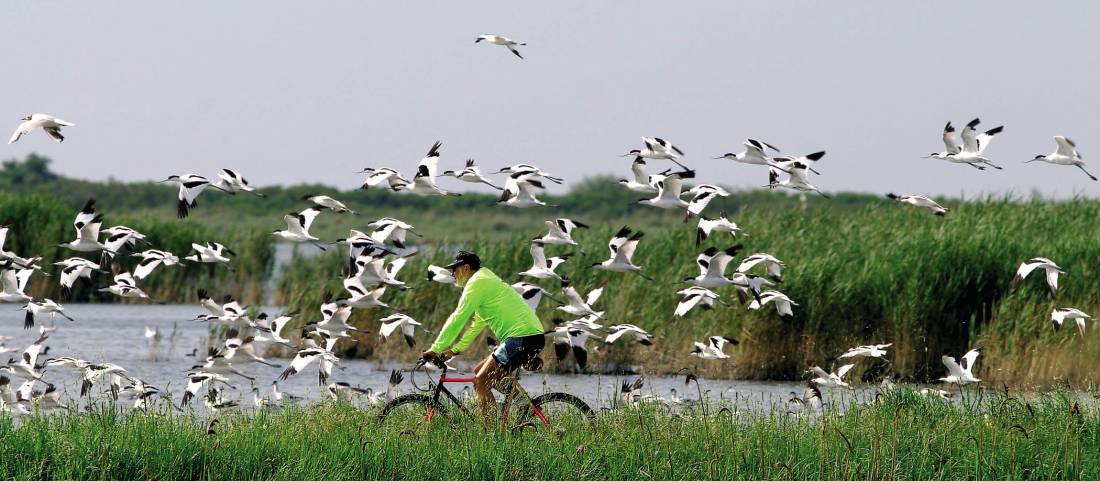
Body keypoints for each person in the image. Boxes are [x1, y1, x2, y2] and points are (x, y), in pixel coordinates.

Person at [421, 250, 545, 416]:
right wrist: (454, 350)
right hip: (528, 336)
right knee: (479, 370)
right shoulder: (485, 279)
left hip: (521, 338)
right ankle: (525, 406)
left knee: (481, 380)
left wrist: (436, 348)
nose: (452, 273)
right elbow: (476, 325)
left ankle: (490, 434)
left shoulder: (477, 283)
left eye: (455, 269)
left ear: (466, 268)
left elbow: (457, 318)